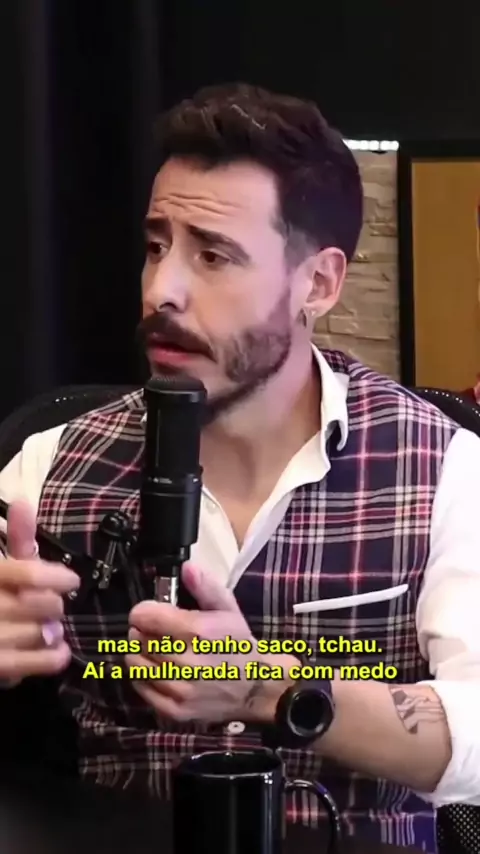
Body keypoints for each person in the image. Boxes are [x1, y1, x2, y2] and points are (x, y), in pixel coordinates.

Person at [0, 83, 480, 852]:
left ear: (318, 283)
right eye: (156, 246)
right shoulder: (49, 464)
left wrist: (265, 686)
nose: (161, 291)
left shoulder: (442, 467)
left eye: (213, 255)